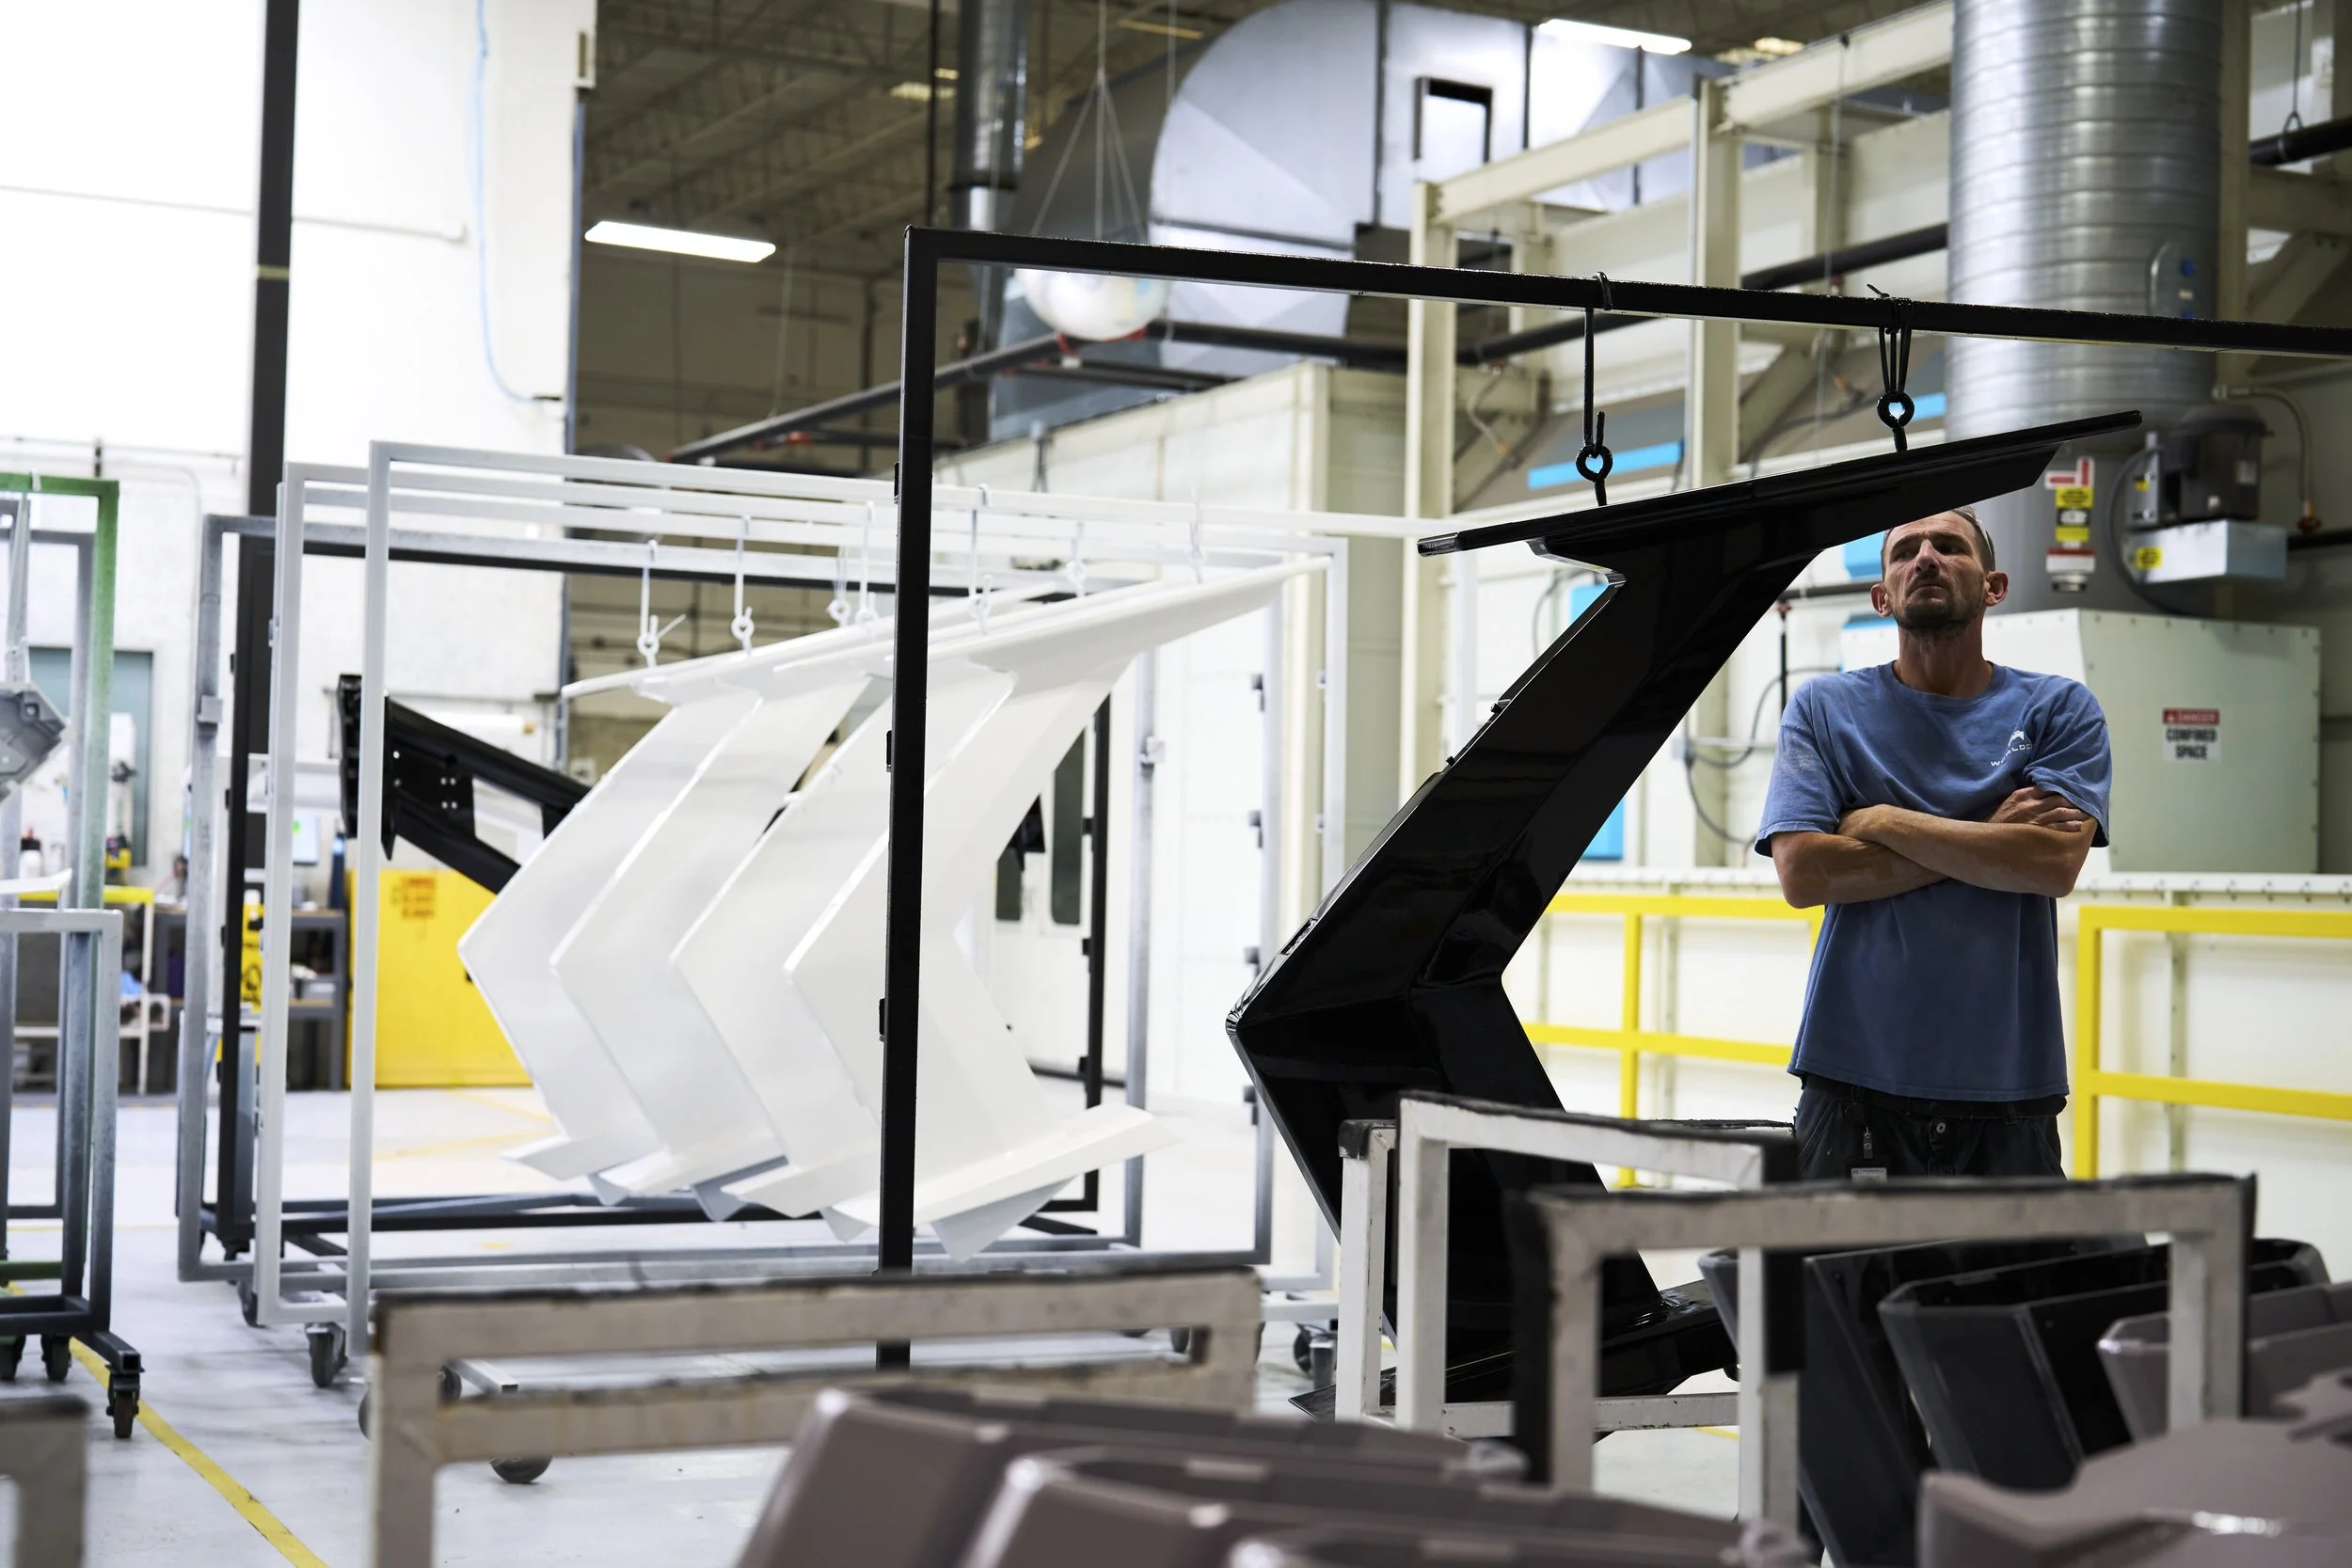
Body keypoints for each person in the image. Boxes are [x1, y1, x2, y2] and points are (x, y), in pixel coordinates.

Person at [1754, 506, 2111, 1180]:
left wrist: (1880, 819)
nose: (1925, 558)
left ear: (1994, 585)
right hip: (1852, 1086)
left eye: (1950, 546)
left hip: (2009, 1095)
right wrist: (1988, 840)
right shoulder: (1824, 710)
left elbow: (2053, 863)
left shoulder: (2058, 710)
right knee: (1833, 1288)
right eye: (1905, 550)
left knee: (2010, 1290)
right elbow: (1803, 873)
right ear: (1881, 594)